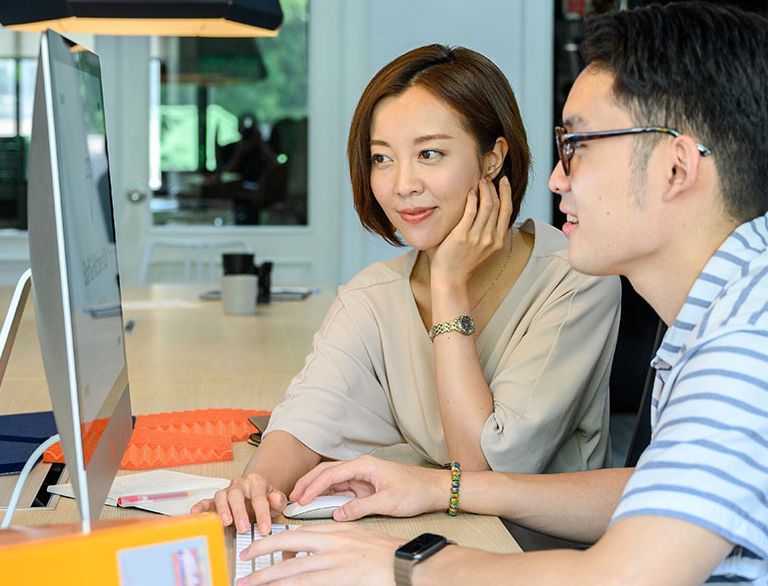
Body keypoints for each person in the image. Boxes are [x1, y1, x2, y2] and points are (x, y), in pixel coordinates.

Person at [236, 3, 768, 586]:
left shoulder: (752, 345)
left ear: (674, 165)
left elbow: (622, 577)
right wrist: (443, 489)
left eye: (578, 145)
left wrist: (404, 562)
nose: (556, 179)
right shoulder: (754, 295)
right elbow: (655, 494)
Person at [192, 45, 621, 536]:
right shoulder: (373, 295)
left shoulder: (575, 275)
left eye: (429, 154)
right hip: (432, 537)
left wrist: (448, 285)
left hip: (533, 556)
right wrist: (256, 485)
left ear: (492, 159)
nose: (402, 185)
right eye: (382, 159)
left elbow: (484, 472)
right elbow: (306, 415)